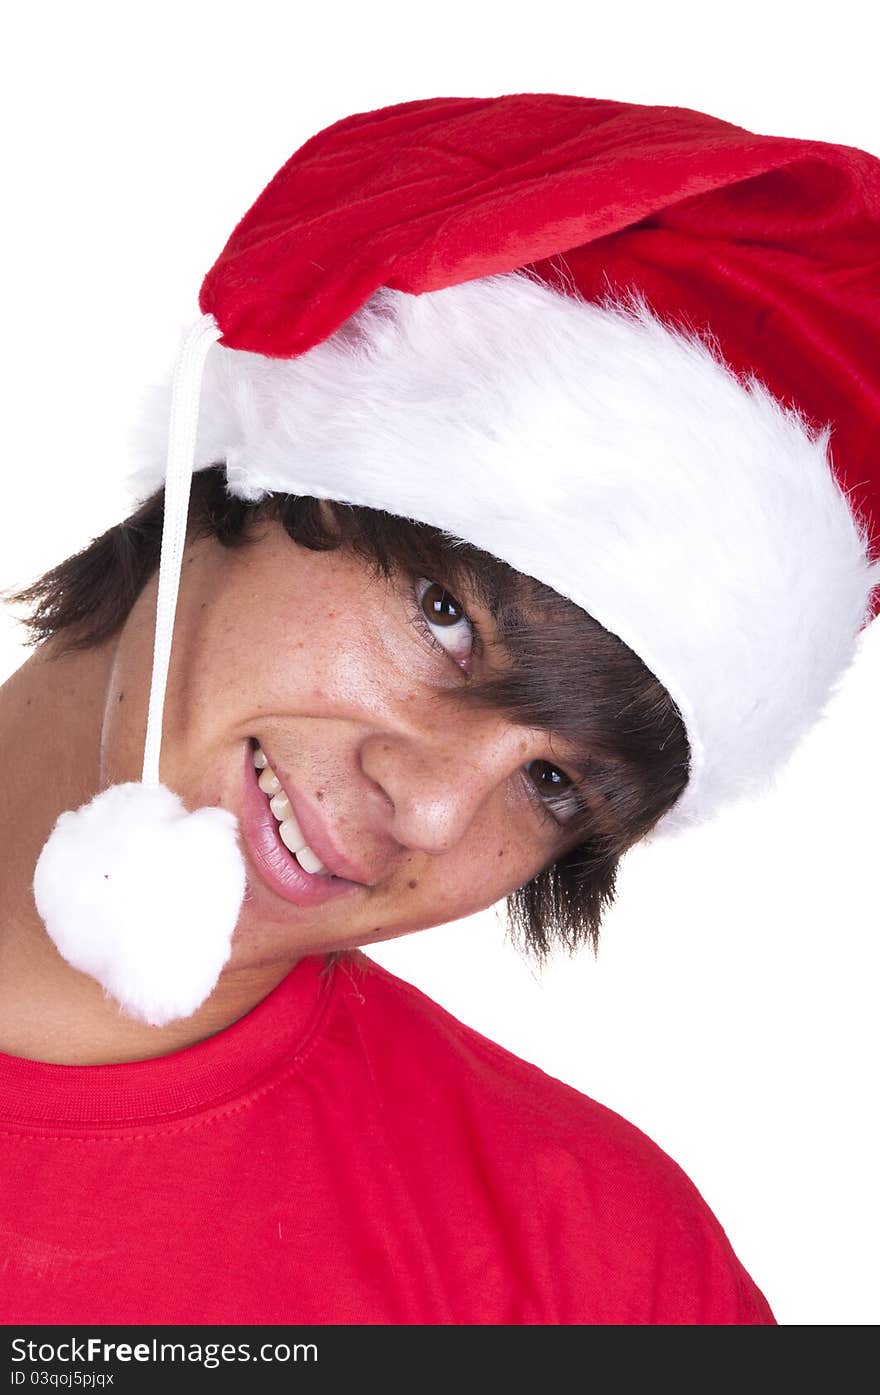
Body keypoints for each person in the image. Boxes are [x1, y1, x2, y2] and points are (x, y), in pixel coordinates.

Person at [0, 91, 877, 1326]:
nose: (427, 809)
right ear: (243, 481)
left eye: (554, 785)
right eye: (447, 621)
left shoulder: (592, 1274)